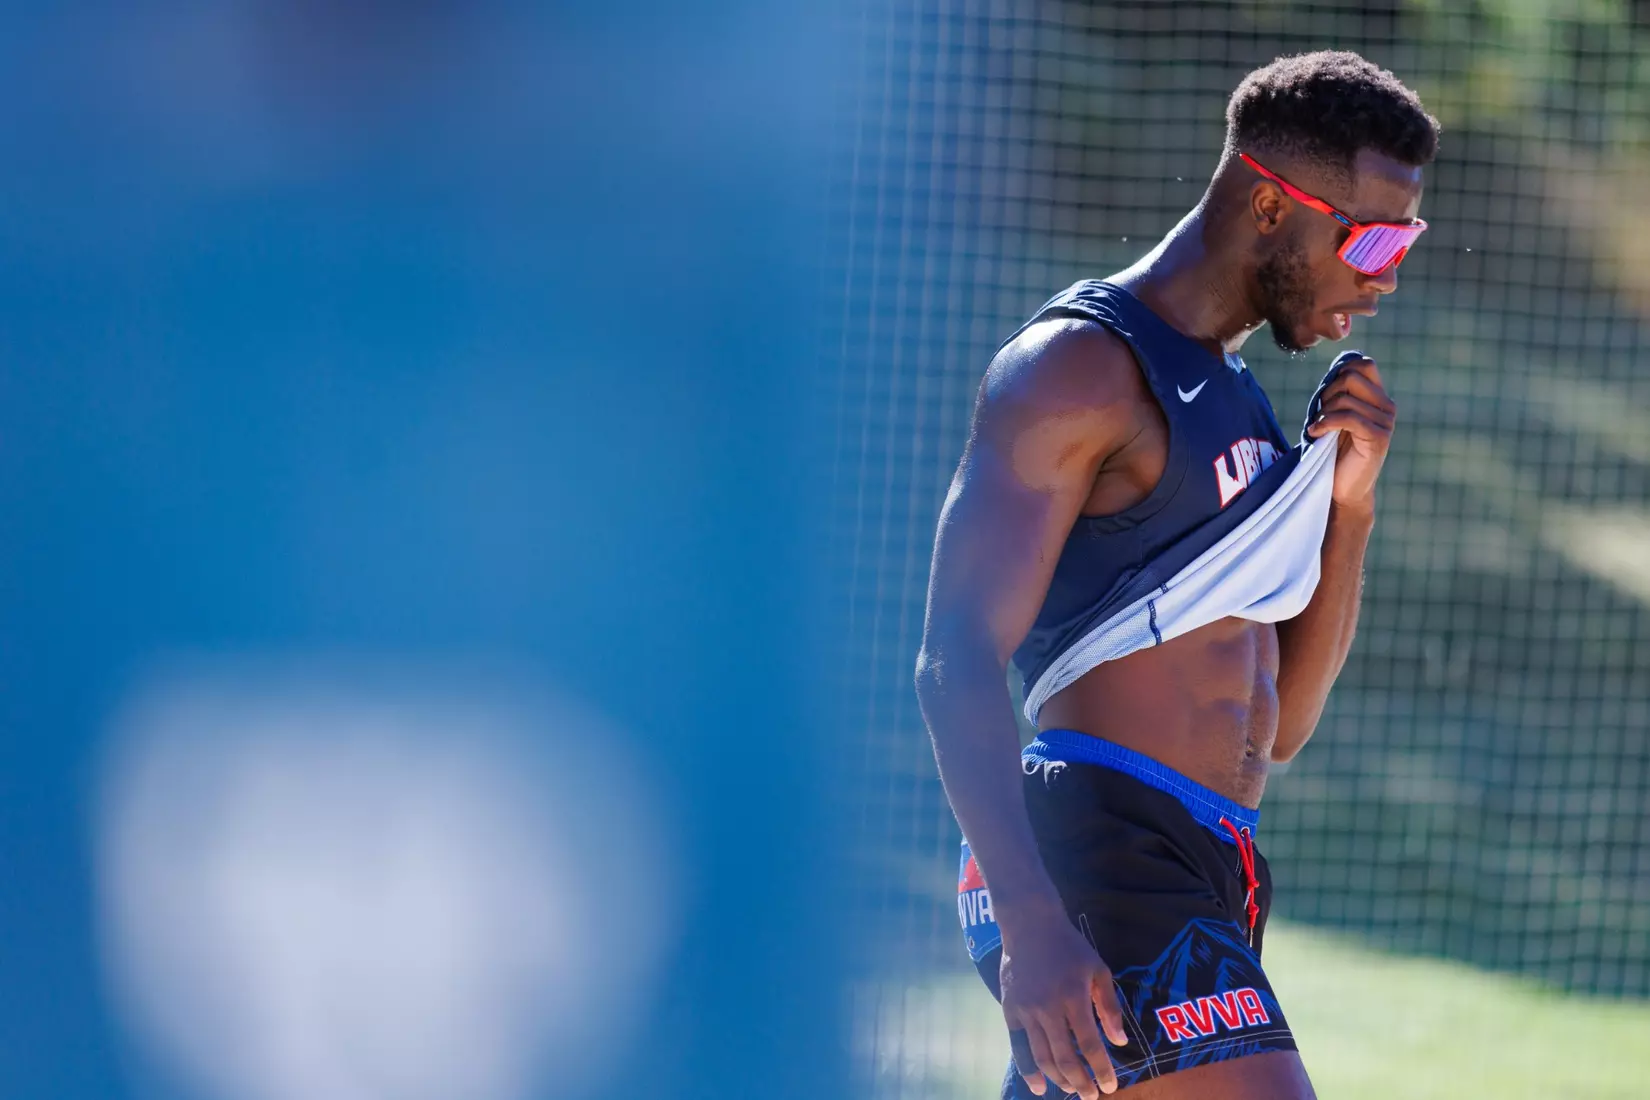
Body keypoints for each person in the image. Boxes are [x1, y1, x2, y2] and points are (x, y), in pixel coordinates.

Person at [914, 51, 1440, 1099]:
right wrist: (1032, 924)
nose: (1382, 276)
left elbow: (1282, 720)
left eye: (1405, 241)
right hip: (1096, 848)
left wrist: (1350, 506)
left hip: (1212, 856)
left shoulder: (1239, 399)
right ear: (1267, 205)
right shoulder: (1080, 367)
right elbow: (953, 659)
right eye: (1370, 238)